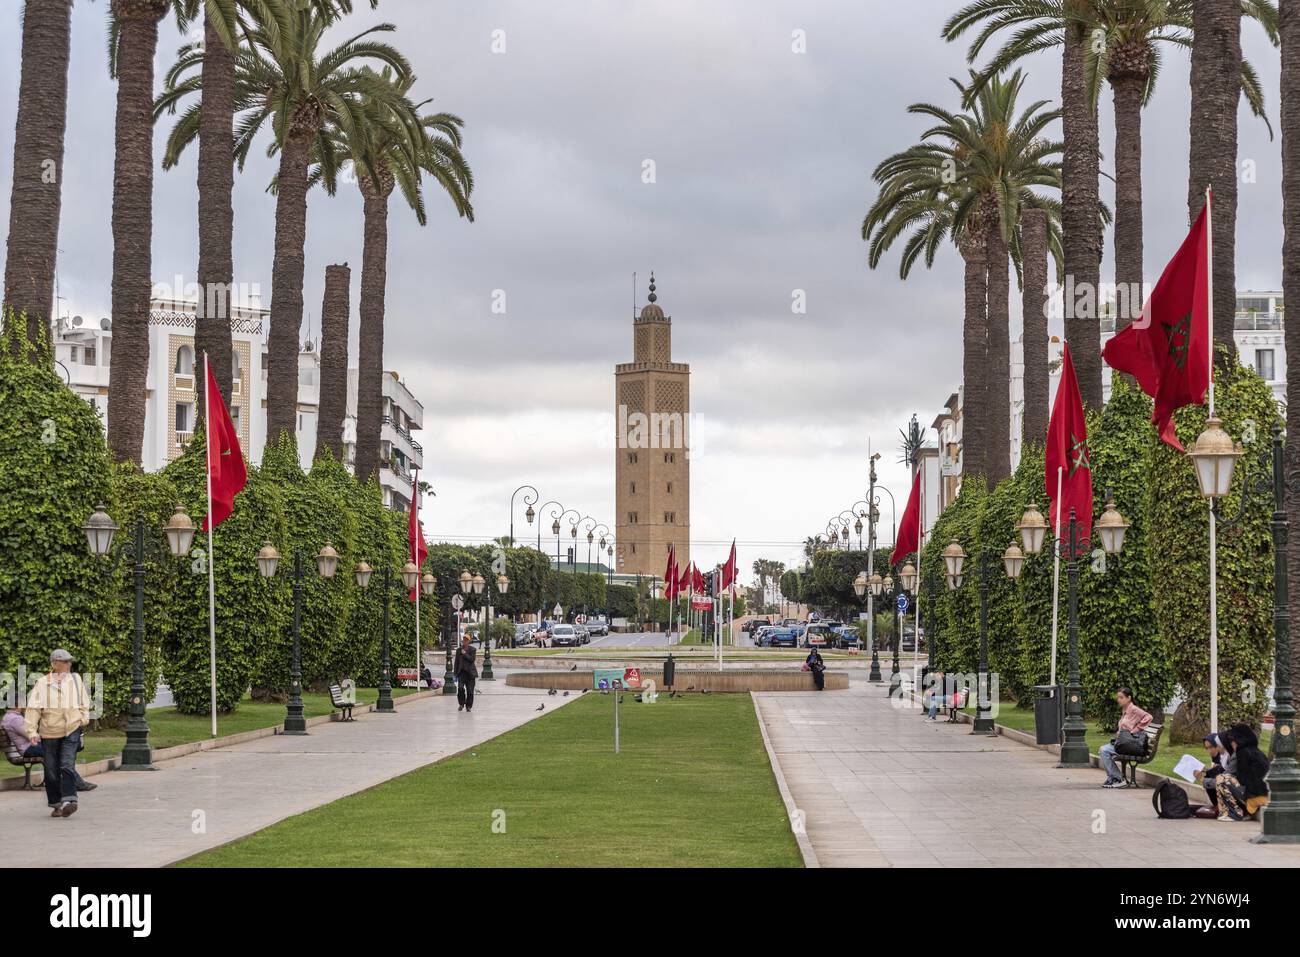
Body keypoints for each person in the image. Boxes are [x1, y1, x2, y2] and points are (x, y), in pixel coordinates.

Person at [24, 649, 90, 817]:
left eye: (69, 661)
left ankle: (70, 801)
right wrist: (31, 731)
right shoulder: (42, 683)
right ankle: (56, 803)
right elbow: (33, 709)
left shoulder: (76, 679)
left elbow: (84, 702)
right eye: (65, 661)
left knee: (67, 765)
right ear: (54, 664)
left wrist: (83, 719)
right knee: (51, 772)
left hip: (72, 729)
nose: (69, 664)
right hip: (50, 731)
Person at [2, 706, 94, 791]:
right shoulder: (15, 719)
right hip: (29, 748)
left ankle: (70, 783)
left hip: (29, 748)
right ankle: (78, 784)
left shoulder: (8, 717)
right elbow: (30, 735)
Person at [1098, 687, 1153, 789]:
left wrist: (1135, 730)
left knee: (1104, 750)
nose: (1118, 699)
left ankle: (1119, 778)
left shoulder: (1134, 709)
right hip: (1123, 742)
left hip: (1129, 744)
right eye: (1118, 697)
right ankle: (1113, 778)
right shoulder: (1125, 710)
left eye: (1121, 697)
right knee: (1102, 750)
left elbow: (1148, 717)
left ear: (1129, 698)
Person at [1214, 724, 1270, 821]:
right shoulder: (1256, 751)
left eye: (1233, 741)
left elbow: (1243, 778)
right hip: (1263, 793)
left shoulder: (1243, 753)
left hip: (1255, 796)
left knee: (1222, 778)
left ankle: (1233, 814)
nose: (1231, 744)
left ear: (1239, 741)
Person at [1194, 731, 1233, 810]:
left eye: (1212, 747)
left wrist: (1202, 779)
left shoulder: (1228, 756)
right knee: (1210, 773)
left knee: (1210, 775)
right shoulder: (1219, 758)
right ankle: (1218, 805)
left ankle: (1221, 806)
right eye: (1207, 748)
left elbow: (1226, 778)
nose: (1209, 751)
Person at [454, 633, 478, 712]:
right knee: (460, 688)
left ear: (469, 641)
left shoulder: (473, 650)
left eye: (466, 640)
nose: (465, 641)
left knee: (470, 691)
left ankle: (468, 706)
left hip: (470, 674)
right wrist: (455, 674)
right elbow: (456, 662)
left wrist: (465, 654)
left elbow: (472, 659)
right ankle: (461, 703)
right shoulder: (459, 650)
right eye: (464, 639)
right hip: (461, 673)